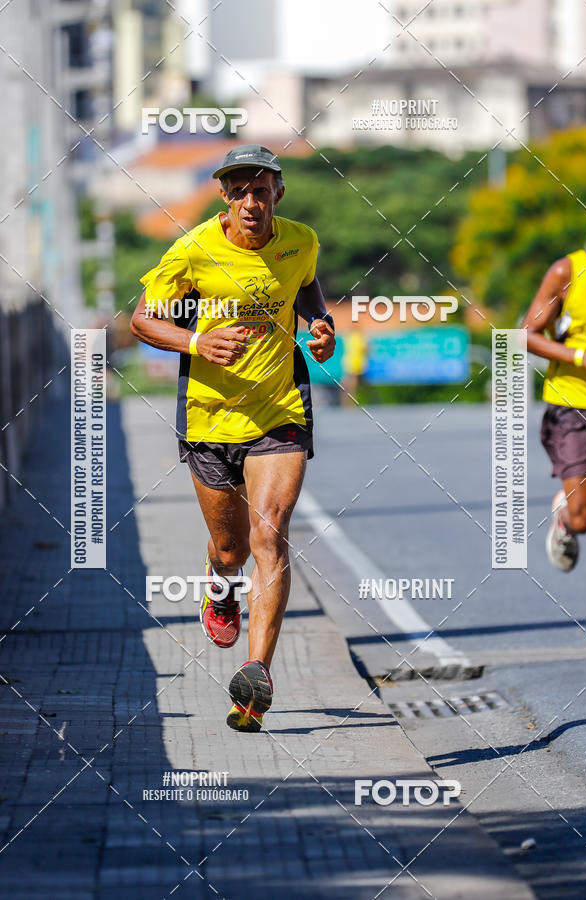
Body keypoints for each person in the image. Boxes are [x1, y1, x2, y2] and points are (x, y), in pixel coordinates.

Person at [130, 145, 336, 730]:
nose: (251, 200)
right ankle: (220, 585)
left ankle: (255, 678)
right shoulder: (194, 250)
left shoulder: (301, 240)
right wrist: (196, 343)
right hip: (209, 418)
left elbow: (307, 290)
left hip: (279, 410)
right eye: (239, 189)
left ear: (278, 192)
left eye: (261, 188)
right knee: (232, 548)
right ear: (225, 196)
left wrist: (320, 329)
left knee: (271, 531)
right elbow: (143, 320)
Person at [523, 203, 586, 647]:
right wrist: (580, 356)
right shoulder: (566, 271)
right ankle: (566, 517)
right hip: (574, 408)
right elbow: (527, 333)